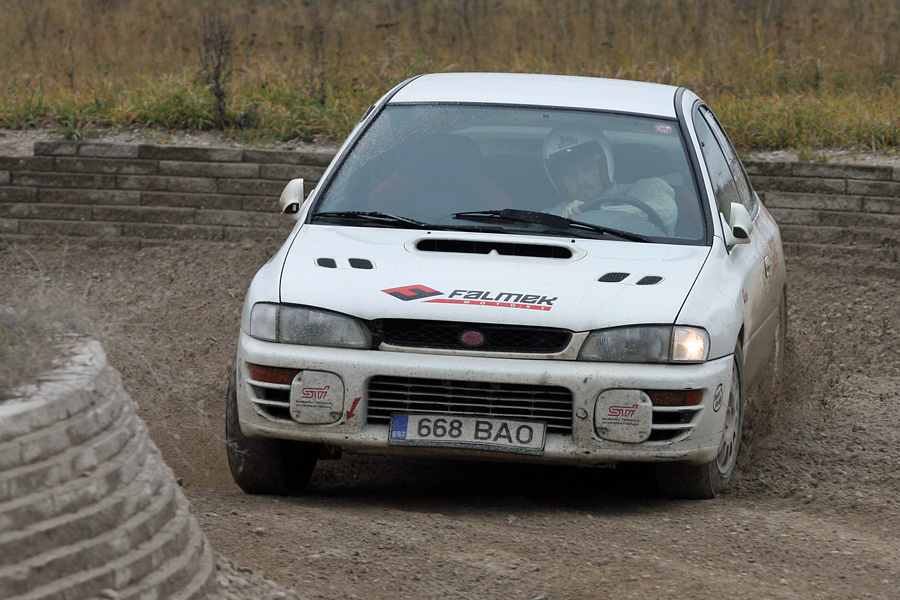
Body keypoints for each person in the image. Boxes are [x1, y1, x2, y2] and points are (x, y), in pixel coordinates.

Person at [542, 123, 677, 234]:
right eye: (569, 174)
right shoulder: (555, 215)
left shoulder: (647, 188)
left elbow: (667, 214)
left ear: (604, 166)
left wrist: (593, 212)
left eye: (587, 168)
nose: (581, 181)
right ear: (558, 181)